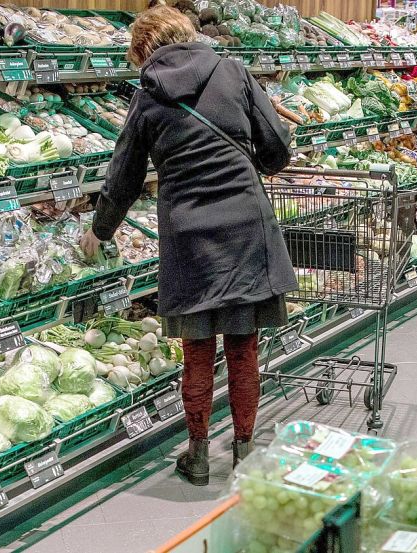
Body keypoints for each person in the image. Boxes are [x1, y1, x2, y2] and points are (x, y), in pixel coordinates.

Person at [79, 6, 298, 486]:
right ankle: (243, 452)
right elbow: (277, 153)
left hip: (187, 234)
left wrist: (100, 231)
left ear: (144, 52)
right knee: (244, 346)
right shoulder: (234, 72)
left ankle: (198, 454)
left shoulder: (147, 95)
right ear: (189, 34)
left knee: (197, 350)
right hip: (245, 225)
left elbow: (124, 177)